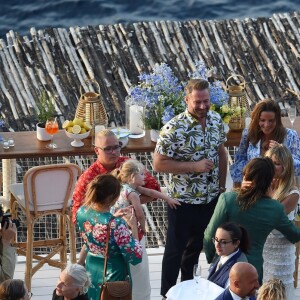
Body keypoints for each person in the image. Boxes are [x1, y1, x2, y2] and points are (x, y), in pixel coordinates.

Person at [153, 78, 228, 298]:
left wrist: (221, 187)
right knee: (174, 252)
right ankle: (167, 295)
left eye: (206, 101)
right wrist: (194, 166)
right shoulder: (173, 128)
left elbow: (222, 153)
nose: (203, 106)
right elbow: (158, 164)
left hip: (210, 199)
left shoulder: (215, 120)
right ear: (187, 100)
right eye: (198, 102)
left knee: (195, 248)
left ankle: (188, 292)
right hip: (182, 201)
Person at [203, 157, 300, 283]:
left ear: (246, 176)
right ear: (269, 181)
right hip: (252, 271)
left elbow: (209, 234)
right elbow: (294, 235)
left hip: (225, 267)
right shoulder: (275, 208)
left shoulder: (228, 199)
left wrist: (212, 259)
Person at [111, 158, 181, 300]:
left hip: (114, 224)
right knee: (136, 263)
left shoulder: (125, 186)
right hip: (126, 228)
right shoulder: (133, 194)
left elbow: (151, 192)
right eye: (142, 174)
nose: (145, 177)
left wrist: (167, 199)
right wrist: (143, 228)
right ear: (132, 177)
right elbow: (140, 214)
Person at [72, 128, 161, 223]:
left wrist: (128, 203)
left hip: (132, 223)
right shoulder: (89, 177)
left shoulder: (129, 164)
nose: (113, 152)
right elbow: (77, 213)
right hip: (102, 227)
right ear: (97, 150)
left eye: (116, 147)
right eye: (108, 149)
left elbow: (155, 189)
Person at [76, 174, 142, 299]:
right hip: (113, 273)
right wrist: (133, 226)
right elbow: (136, 256)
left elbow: (92, 238)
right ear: (113, 197)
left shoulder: (82, 212)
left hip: (91, 269)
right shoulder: (116, 224)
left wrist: (114, 217)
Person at [230, 98, 300, 188]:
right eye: (262, 120)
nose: (266, 125)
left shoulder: (290, 135)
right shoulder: (248, 134)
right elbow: (239, 162)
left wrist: (282, 153)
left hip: (280, 190)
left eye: (271, 120)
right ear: (256, 120)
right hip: (254, 188)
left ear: (277, 120)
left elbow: (298, 169)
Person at [262, 145, 299, 299]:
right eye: (269, 162)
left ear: (286, 166)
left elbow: (272, 216)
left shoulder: (293, 193)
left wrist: (267, 196)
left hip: (281, 256)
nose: (271, 166)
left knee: (279, 292)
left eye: (276, 163)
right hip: (264, 251)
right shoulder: (263, 186)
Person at [207, 222, 250, 288]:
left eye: (223, 242)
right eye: (216, 239)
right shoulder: (225, 253)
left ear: (236, 244)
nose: (217, 245)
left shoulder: (238, 269)